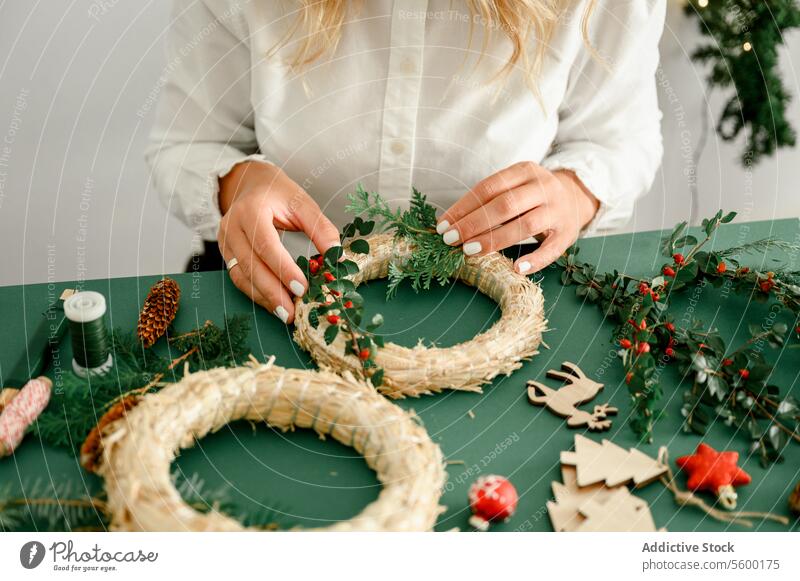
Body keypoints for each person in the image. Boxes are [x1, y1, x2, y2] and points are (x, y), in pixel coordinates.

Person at [146, 0, 666, 323]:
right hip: (278, 297)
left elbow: (620, 139)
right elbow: (186, 143)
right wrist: (237, 186)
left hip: (507, 306)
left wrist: (574, 192)